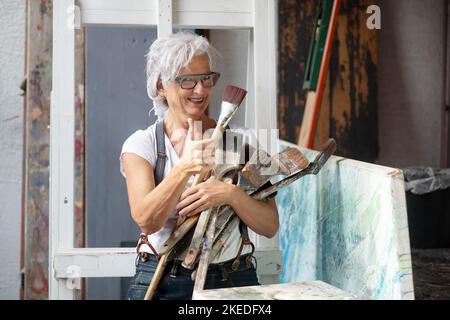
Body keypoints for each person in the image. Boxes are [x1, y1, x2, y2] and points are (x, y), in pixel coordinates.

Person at [120, 31, 279, 300]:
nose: (201, 90)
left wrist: (229, 194)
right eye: (187, 81)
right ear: (160, 86)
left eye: (206, 78)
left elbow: (270, 224)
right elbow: (147, 220)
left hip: (235, 277)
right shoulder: (141, 146)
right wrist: (184, 167)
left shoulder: (244, 141)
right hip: (165, 280)